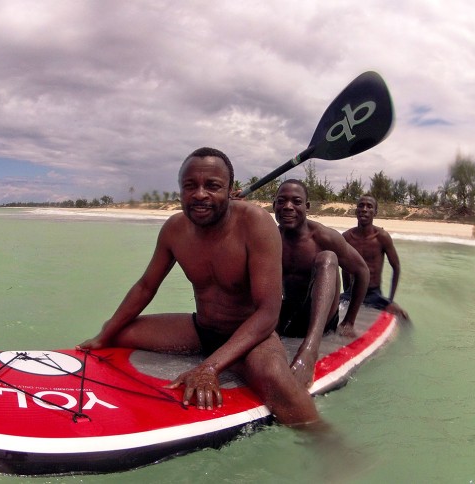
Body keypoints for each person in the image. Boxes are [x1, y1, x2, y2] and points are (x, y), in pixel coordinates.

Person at [77, 148, 319, 426]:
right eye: (190, 186)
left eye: (212, 186)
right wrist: (105, 335)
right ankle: (233, 365)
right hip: (202, 330)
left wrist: (209, 367)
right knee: (119, 330)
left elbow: (267, 313)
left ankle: (328, 449)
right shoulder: (174, 229)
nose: (200, 194)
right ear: (180, 190)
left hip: (252, 338)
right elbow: (145, 287)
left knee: (277, 380)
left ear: (230, 190)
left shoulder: (255, 224)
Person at [273, 179, 370, 388]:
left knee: (327, 258)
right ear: (274, 206)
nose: (288, 207)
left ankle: (310, 348)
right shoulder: (270, 237)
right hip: (287, 316)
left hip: (320, 319)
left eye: (296, 201)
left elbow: (362, 271)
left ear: (306, 207)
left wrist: (349, 321)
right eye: (281, 201)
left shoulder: (324, 236)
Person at [341, 195, 408, 319]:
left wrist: (391, 300)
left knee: (403, 316)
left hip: (373, 294)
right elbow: (344, 267)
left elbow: (396, 267)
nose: (364, 209)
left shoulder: (382, 237)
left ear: (375, 213)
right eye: (361, 206)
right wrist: (346, 291)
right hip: (352, 293)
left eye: (369, 206)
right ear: (356, 211)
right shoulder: (346, 237)